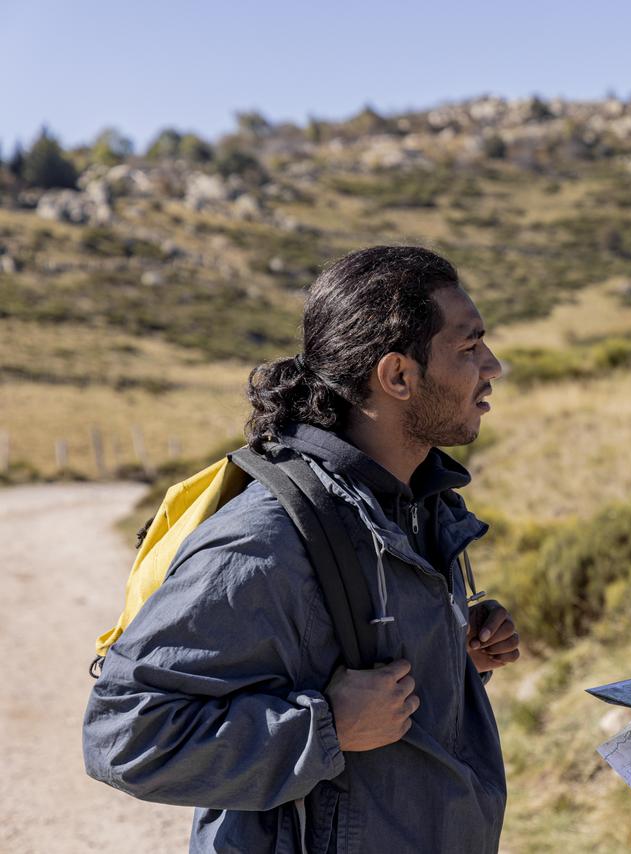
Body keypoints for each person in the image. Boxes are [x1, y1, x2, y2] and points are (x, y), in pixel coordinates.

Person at [84, 246, 517, 853]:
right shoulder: (267, 540)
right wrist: (325, 727)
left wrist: (449, 649)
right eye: (469, 347)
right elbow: (124, 734)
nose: (492, 366)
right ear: (397, 376)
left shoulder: (413, 504)